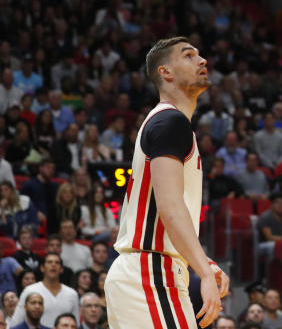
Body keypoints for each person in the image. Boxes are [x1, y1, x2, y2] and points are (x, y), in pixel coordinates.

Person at [104, 37, 229, 329]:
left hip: (148, 271)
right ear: (165, 72)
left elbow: (162, 216)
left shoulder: (166, 123)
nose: (202, 61)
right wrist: (205, 275)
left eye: (200, 55)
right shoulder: (170, 123)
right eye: (188, 56)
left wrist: (203, 262)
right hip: (150, 272)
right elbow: (170, 207)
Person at [9, 254, 77, 327]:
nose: (53, 265)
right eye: (49, 262)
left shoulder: (72, 294)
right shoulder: (29, 290)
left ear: (61, 269)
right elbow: (16, 321)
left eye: (57, 262)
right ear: (42, 268)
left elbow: (76, 324)